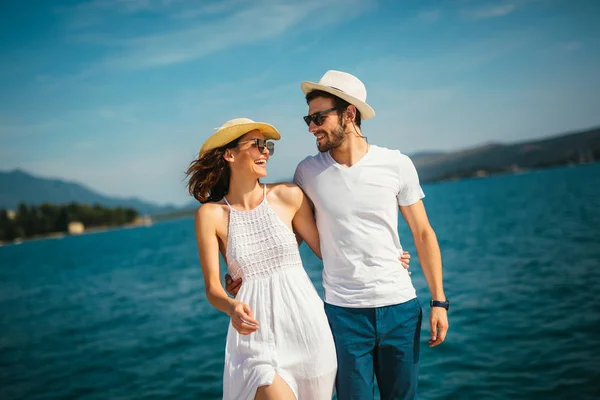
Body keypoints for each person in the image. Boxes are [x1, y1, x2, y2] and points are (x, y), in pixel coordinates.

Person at [228, 70, 449, 400]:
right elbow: (293, 233)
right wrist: (246, 271)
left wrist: (439, 301)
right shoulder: (307, 172)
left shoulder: (396, 164)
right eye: (308, 118)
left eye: (318, 117)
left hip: (400, 308)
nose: (311, 127)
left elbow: (423, 233)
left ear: (349, 113)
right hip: (342, 314)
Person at [186, 118, 337, 400]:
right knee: (266, 384)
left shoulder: (289, 196)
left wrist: (384, 254)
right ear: (229, 154)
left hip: (307, 329)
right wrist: (232, 308)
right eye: (256, 145)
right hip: (255, 336)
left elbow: (330, 252)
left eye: (267, 146)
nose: (265, 151)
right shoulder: (210, 215)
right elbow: (213, 288)